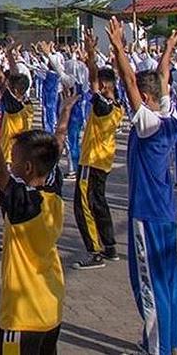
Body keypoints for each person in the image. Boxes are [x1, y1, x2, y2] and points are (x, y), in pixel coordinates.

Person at [0, 75, 78, 355]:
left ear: (28, 168)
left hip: (23, 314)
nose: (11, 162)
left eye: (15, 159)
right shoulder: (51, 190)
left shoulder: (24, 205)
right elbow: (57, 143)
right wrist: (65, 113)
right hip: (50, 306)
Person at [106, 19, 177, 355]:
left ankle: (156, 349)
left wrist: (121, 48)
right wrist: (167, 51)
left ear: (146, 96)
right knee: (168, 282)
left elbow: (129, 82)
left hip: (147, 214)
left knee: (149, 285)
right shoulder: (169, 114)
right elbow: (163, 80)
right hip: (166, 212)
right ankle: (166, 341)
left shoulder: (149, 124)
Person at [71, 30, 123, 270]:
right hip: (103, 161)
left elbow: (92, 81)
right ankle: (109, 246)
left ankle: (95, 251)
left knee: (84, 206)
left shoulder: (103, 106)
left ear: (104, 85)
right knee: (99, 203)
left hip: (91, 161)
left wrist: (90, 54)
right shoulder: (118, 105)